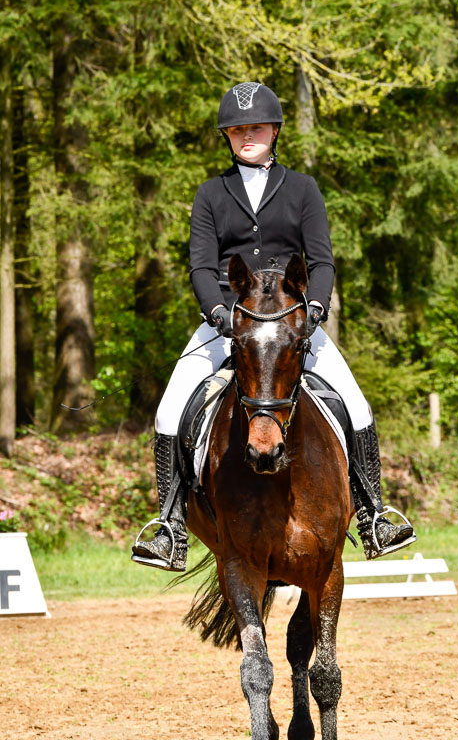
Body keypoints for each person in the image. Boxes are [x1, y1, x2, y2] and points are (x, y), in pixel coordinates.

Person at [131, 82, 416, 572]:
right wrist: (219, 313)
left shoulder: (303, 188)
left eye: (255, 127)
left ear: (274, 130)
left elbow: (322, 260)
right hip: (229, 322)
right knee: (167, 412)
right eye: (238, 129)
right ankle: (170, 526)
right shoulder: (210, 194)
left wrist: (316, 310)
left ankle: (373, 514)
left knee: (357, 405)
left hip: (291, 324)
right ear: (228, 135)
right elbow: (201, 266)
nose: (247, 135)